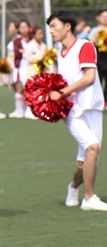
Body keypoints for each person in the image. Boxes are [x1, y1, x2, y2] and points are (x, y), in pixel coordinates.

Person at [47, 11, 107, 211]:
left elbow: (89, 78)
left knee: (85, 161)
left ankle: (73, 187)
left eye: (54, 26)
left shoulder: (85, 46)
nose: (51, 31)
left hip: (92, 107)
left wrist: (61, 92)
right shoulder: (58, 51)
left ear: (67, 26)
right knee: (93, 148)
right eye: (50, 27)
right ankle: (89, 198)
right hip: (72, 111)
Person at [9, 20, 31, 119]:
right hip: (20, 67)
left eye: (25, 27)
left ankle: (28, 110)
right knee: (19, 87)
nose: (24, 30)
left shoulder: (32, 40)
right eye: (21, 28)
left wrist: (25, 51)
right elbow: (17, 53)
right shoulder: (17, 41)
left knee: (28, 88)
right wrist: (25, 51)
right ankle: (19, 110)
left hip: (30, 67)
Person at [88, 10, 107, 104]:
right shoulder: (95, 30)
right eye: (103, 16)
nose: (105, 18)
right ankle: (97, 99)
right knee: (98, 79)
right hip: (99, 57)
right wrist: (98, 39)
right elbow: (90, 43)